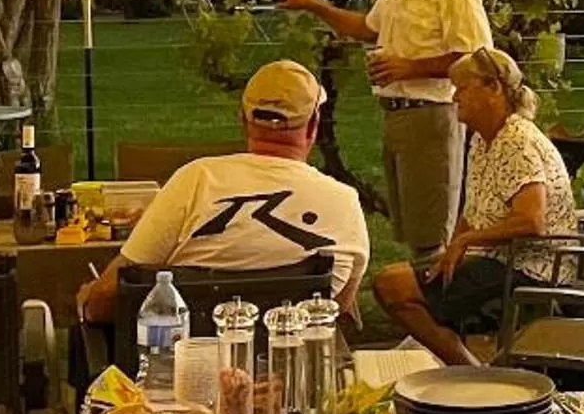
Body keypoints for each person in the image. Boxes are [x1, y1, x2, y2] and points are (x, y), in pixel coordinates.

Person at [277, 0, 491, 266]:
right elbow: (368, 28)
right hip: (398, 115)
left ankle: (435, 322)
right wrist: (313, 5)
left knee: (430, 237)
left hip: (431, 115)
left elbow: (476, 56)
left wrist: (410, 66)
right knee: (412, 230)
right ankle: (424, 316)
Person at [75, 59, 371, 329]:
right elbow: (339, 307)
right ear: (314, 125)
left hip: (184, 373)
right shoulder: (344, 202)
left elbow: (109, 298)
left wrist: (87, 300)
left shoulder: (197, 180)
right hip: (290, 375)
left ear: (243, 118)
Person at [372, 47, 578, 368]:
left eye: (463, 88)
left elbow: (531, 220)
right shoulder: (484, 137)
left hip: (530, 270)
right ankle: (467, 368)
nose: (455, 97)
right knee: (393, 280)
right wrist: (452, 247)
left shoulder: (516, 143)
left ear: (493, 89)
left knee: (393, 287)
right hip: (499, 257)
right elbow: (474, 211)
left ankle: (467, 370)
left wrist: (466, 242)